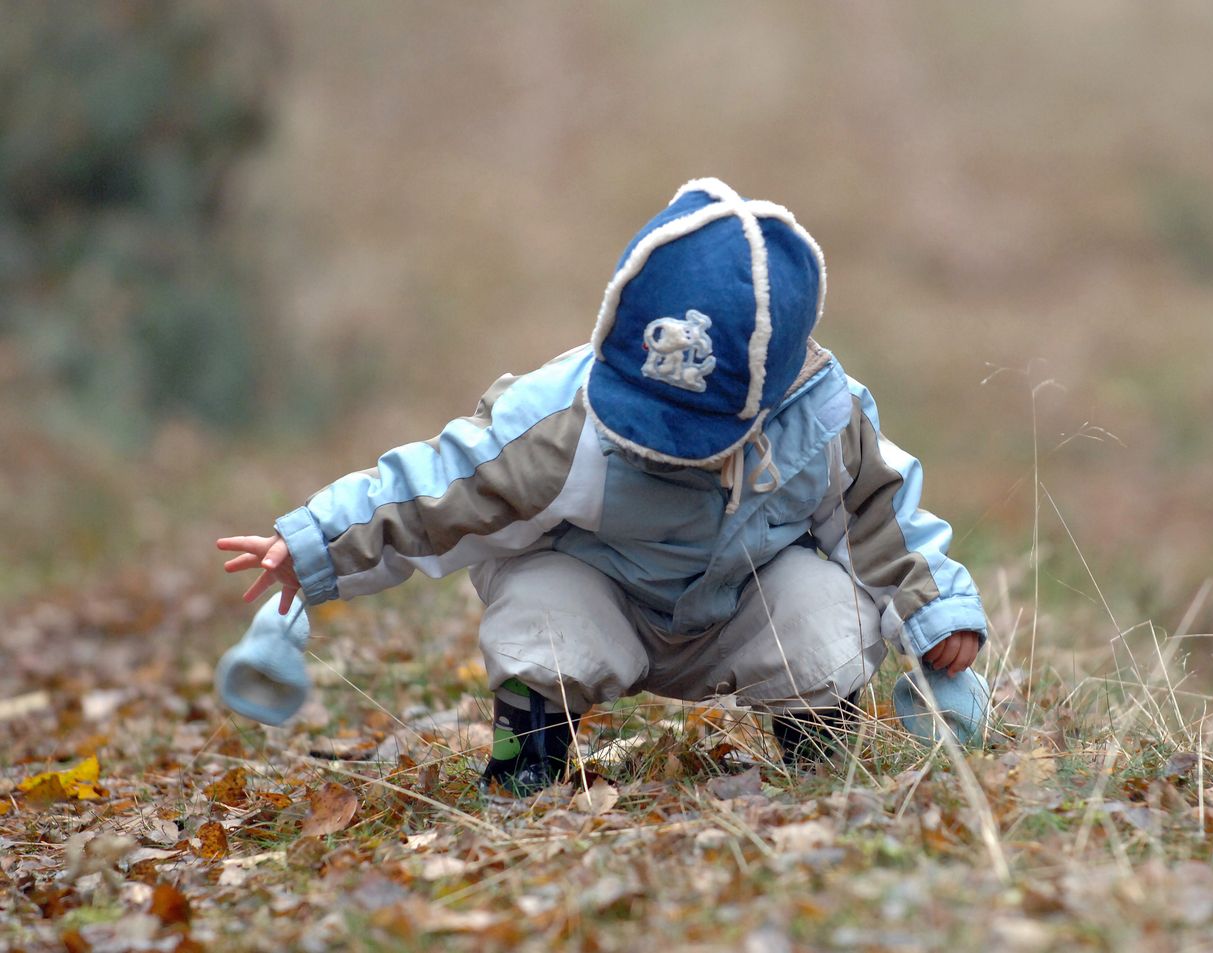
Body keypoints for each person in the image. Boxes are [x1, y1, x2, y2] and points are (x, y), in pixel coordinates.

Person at [216, 178, 989, 792]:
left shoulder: (822, 422)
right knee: (541, 607)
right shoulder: (565, 421)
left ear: (771, 395)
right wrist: (316, 545)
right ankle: (528, 760)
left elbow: (881, 518)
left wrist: (936, 616)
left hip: (738, 610)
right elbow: (439, 488)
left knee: (827, 610)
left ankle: (818, 752)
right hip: (605, 597)